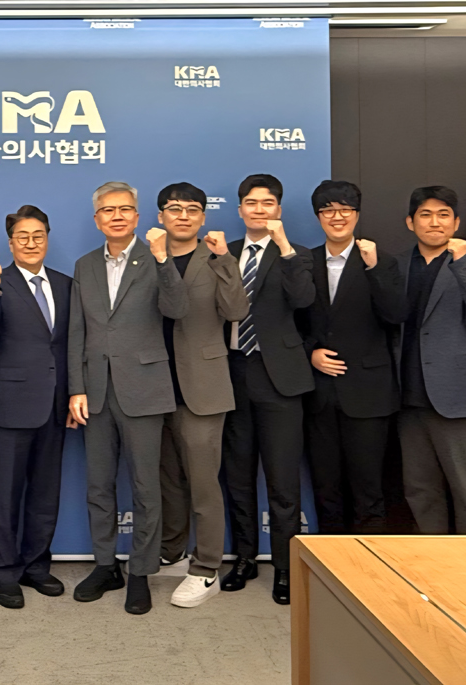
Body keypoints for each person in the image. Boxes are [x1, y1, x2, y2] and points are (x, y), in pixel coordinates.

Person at [68, 181, 188, 615]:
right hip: (96, 390)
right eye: (108, 210)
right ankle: (106, 566)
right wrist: (76, 387)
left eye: (124, 209)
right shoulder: (84, 265)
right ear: (96, 218)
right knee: (98, 485)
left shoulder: (157, 257)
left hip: (144, 388)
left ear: (137, 217)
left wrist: (163, 260)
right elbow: (77, 331)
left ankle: (141, 571)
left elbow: (177, 309)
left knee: (145, 487)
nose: (116, 216)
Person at [149, 183, 247, 609]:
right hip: (154, 385)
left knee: (204, 483)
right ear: (160, 216)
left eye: (192, 209)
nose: (183, 216)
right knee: (167, 479)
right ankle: (172, 552)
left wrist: (225, 260)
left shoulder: (217, 258)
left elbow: (236, 311)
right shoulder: (146, 257)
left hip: (203, 385)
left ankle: (206, 567)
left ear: (203, 217)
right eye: (174, 208)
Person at [0, 205, 75, 610]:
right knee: (5, 496)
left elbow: (71, 345)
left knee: (46, 493)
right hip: (8, 404)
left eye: (38, 236)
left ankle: (36, 566)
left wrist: (74, 394)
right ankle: (4, 573)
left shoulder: (66, 284)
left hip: (55, 403)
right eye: (22, 237)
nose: (31, 243)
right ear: (11, 242)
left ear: (47, 238)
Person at [219, 174, 314, 605]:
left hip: (280, 378)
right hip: (232, 373)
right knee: (237, 476)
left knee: (282, 480)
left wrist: (285, 247)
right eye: (252, 203)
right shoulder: (223, 253)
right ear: (240, 209)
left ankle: (285, 566)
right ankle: (243, 558)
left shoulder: (297, 254)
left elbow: (304, 300)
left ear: (278, 209)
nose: (259, 209)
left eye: (268, 203)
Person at [395, 186, 466, 536]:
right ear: (410, 222)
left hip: (460, 399)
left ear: (456, 223)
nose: (434, 222)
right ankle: (432, 564)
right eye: (425, 215)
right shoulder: (396, 265)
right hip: (408, 399)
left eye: (443, 215)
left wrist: (463, 263)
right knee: (420, 492)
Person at [301, 180, 406, 534]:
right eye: (328, 210)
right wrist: (310, 353)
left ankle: (369, 561)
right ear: (318, 216)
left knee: (368, 490)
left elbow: (396, 315)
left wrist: (374, 269)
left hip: (368, 394)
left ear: (357, 215)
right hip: (319, 395)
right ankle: (330, 561)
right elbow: (290, 322)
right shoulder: (305, 261)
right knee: (325, 489)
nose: (337, 217)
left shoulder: (381, 261)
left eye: (345, 209)